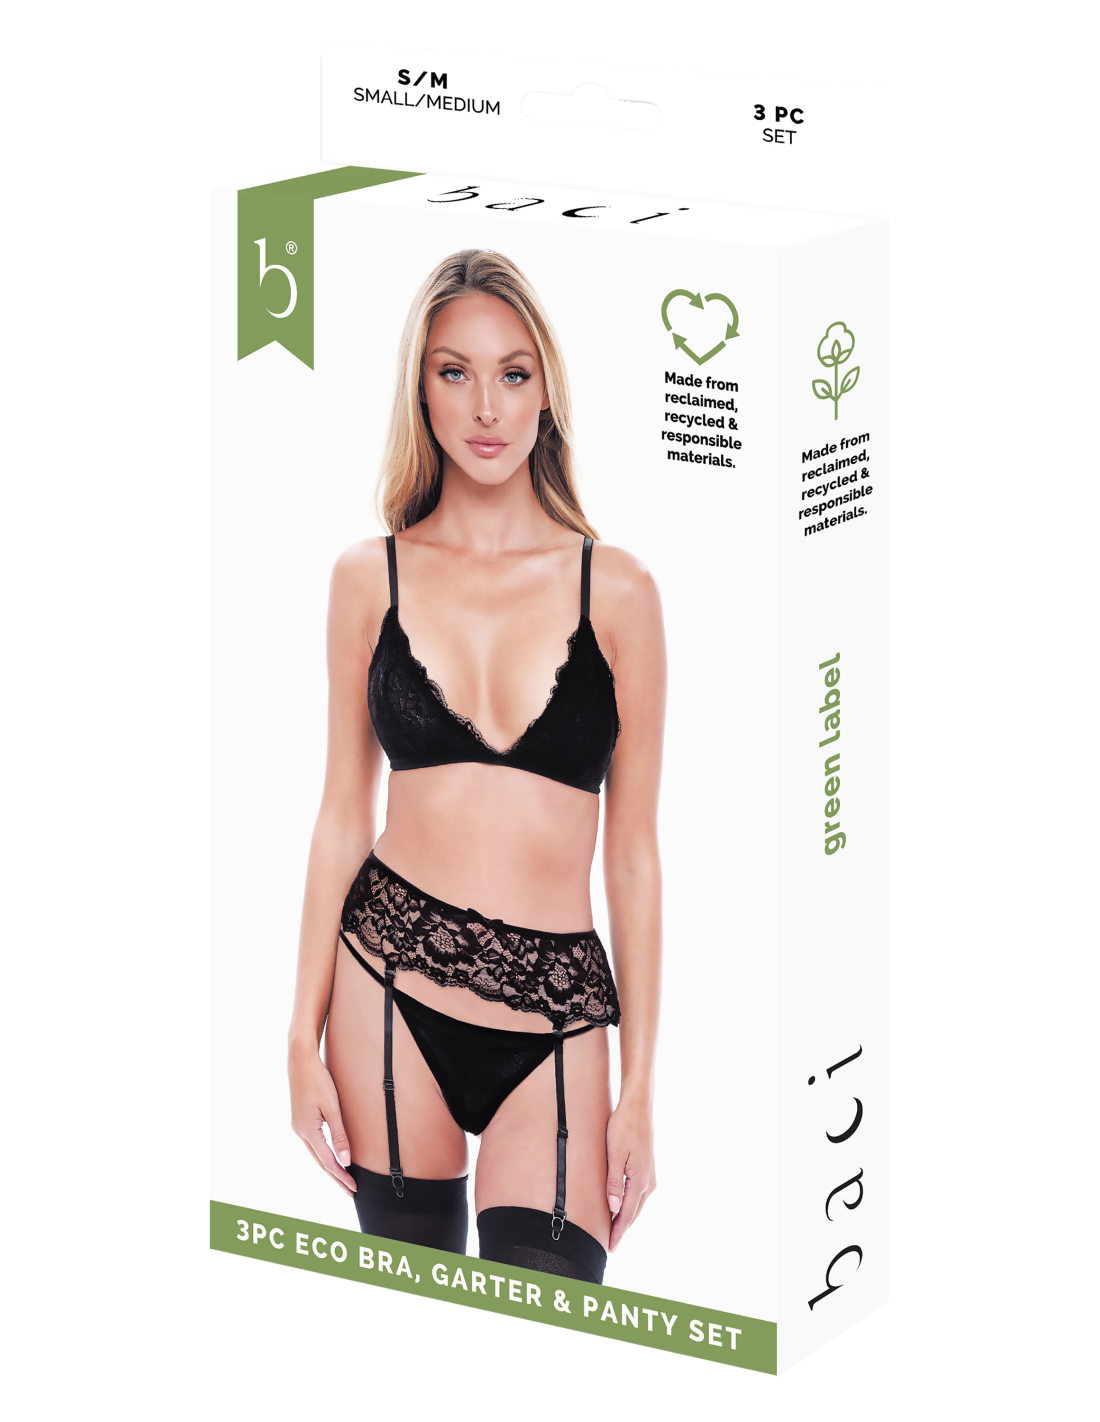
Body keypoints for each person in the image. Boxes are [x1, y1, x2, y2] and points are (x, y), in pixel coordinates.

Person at [287, 249, 665, 1285]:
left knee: (552, 1295)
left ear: (546, 391)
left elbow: (633, 856)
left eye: (513, 373)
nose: (486, 407)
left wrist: (638, 1090)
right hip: (384, 978)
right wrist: (296, 1038)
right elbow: (340, 813)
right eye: (454, 372)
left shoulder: (618, 590)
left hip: (557, 1016)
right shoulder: (369, 578)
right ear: (421, 389)